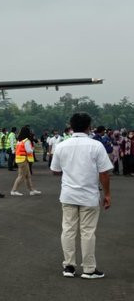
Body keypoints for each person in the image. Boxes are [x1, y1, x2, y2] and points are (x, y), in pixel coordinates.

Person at [51, 113, 112, 279]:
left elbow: (55, 170)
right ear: (89, 127)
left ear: (71, 126)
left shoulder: (62, 145)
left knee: (68, 230)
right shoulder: (96, 146)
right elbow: (104, 173)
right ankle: (89, 269)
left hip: (68, 194)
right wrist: (107, 193)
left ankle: (69, 266)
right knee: (87, 232)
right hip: (89, 195)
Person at [11, 126, 41, 196]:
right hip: (23, 160)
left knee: (27, 176)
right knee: (21, 176)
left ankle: (32, 190)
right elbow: (29, 150)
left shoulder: (19, 141)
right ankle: (14, 190)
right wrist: (33, 148)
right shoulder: (26, 141)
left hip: (19, 159)